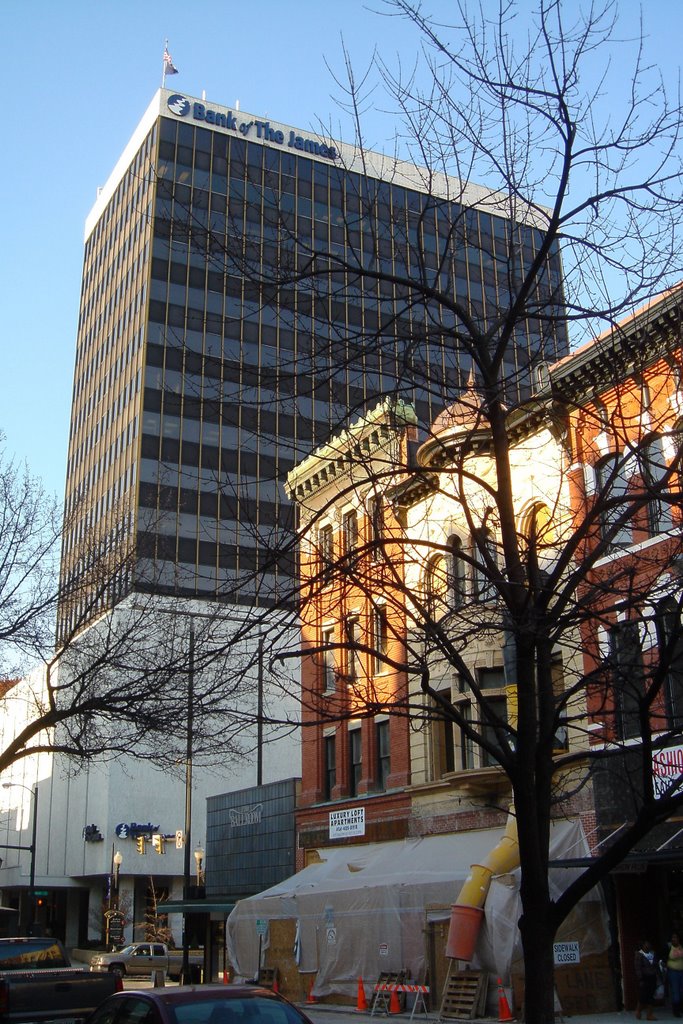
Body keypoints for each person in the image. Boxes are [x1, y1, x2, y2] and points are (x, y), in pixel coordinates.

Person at [635, 940, 660, 1020]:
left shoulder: (652, 953)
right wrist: (640, 979)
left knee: (651, 996)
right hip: (644, 978)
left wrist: (659, 975)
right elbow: (638, 968)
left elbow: (656, 965)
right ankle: (638, 1010)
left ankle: (649, 1014)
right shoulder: (639, 954)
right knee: (643, 996)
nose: (647, 946)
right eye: (646, 944)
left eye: (649, 944)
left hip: (652, 977)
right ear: (642, 945)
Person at [667, 932, 683, 1017]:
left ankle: (681, 1008)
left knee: (681, 991)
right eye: (673, 937)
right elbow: (662, 957)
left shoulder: (681, 947)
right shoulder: (669, 947)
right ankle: (676, 1011)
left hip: (682, 971)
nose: (674, 939)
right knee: (675, 991)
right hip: (673, 972)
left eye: (676, 937)